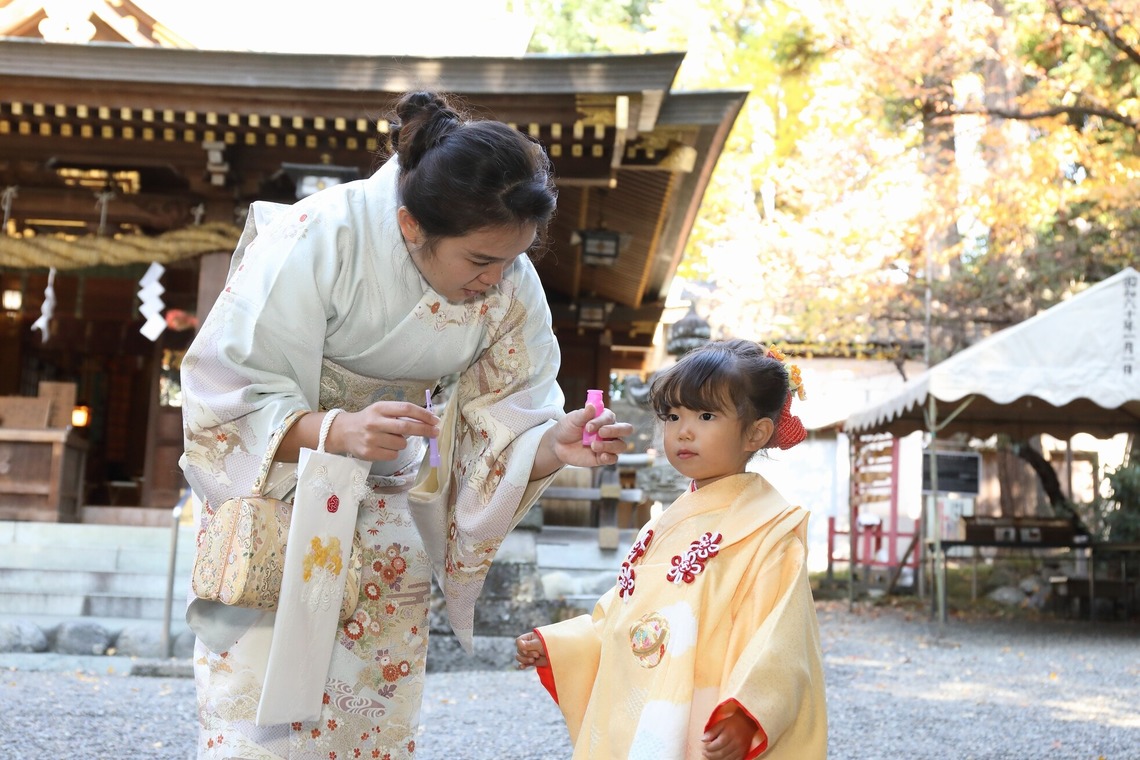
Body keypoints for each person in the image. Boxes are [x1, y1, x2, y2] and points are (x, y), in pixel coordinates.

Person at [180, 90, 633, 759]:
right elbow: (226, 382)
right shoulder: (320, 234)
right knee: (259, 708)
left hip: (389, 505)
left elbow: (507, 411)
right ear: (411, 226)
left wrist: (551, 443)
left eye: (512, 259)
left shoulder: (507, 280)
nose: (497, 279)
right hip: (278, 495)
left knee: (370, 714)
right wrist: (331, 429)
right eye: (480, 261)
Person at [516, 339, 827, 760]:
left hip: (707, 706)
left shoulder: (770, 532)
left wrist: (748, 712)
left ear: (756, 432)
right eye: (672, 415)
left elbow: (782, 637)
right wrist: (562, 644)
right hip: (646, 711)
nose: (683, 430)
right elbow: (628, 619)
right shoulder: (661, 525)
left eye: (705, 415)